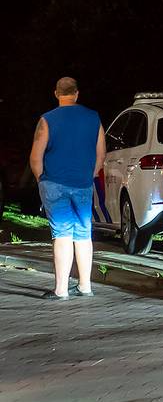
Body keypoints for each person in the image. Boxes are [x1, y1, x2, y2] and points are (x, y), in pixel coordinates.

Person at [28, 77, 104, 300]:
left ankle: (61, 289)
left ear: (56, 94)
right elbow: (101, 154)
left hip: (54, 182)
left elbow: (35, 157)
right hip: (82, 183)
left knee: (62, 233)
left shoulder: (47, 120)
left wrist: (41, 178)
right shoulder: (93, 118)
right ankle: (85, 285)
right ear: (77, 93)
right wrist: (91, 174)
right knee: (83, 233)